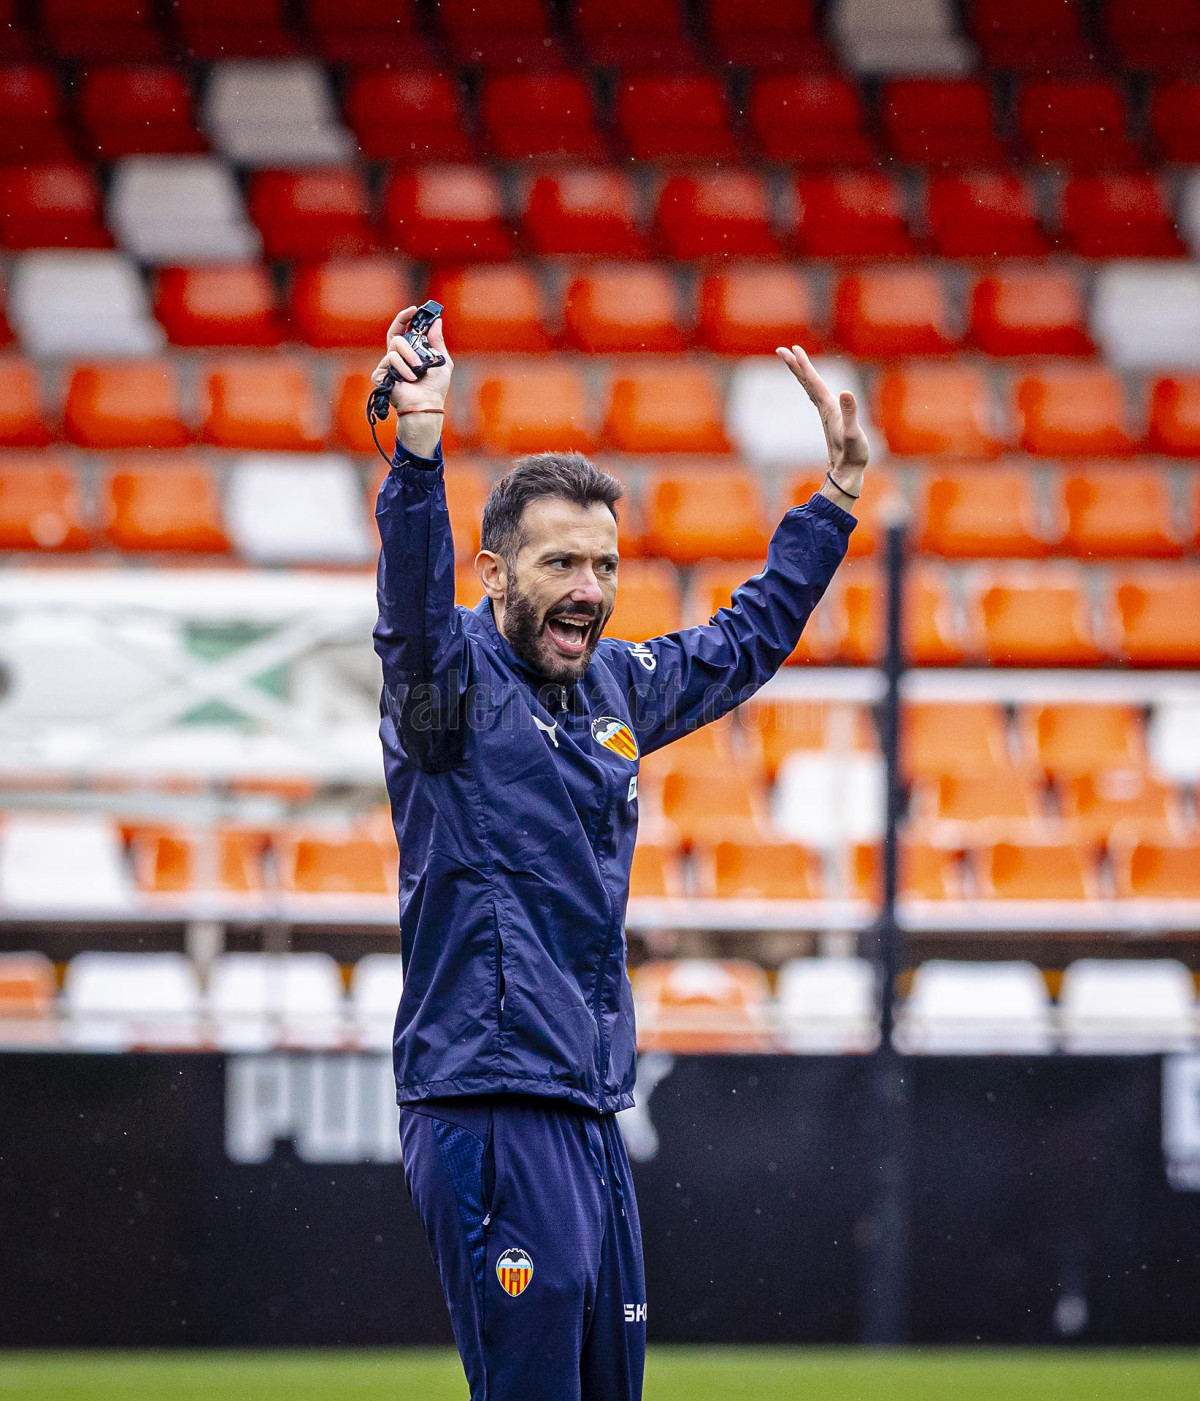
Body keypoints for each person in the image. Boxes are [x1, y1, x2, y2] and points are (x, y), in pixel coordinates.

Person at [371, 307, 868, 1401]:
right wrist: (418, 451)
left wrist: (832, 500)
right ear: (493, 572)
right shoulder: (444, 690)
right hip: (491, 1099)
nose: (589, 589)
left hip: (589, 1104)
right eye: (560, 563)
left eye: (603, 564)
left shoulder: (613, 687)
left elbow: (743, 643)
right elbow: (409, 613)